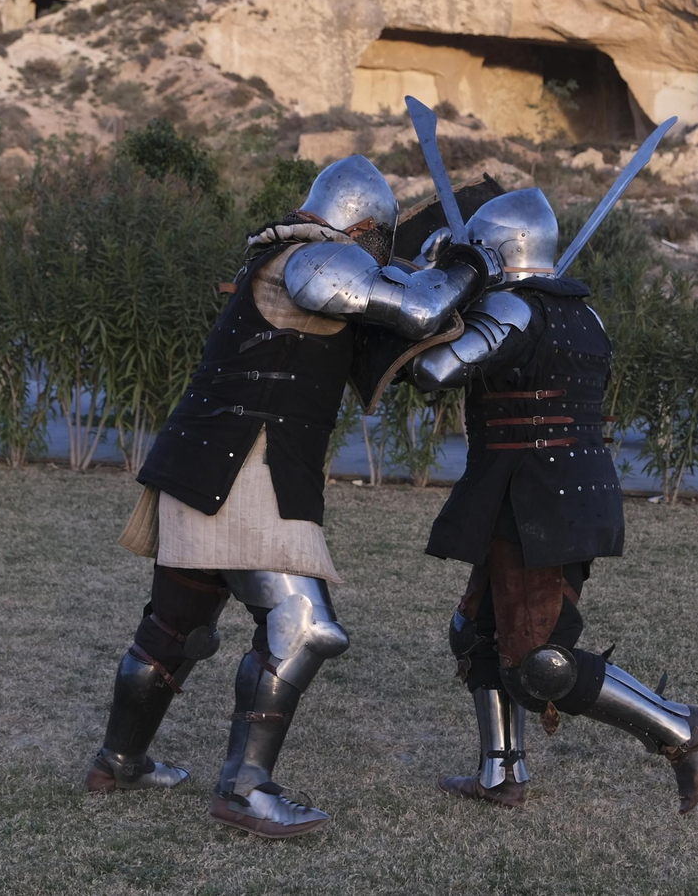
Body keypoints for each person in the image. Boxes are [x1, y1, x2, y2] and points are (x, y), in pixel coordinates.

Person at [92, 155, 500, 839]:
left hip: (207, 464)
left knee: (174, 631)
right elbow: (421, 306)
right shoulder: (315, 259)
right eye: (378, 242)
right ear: (363, 227)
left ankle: (119, 761)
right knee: (303, 627)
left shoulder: (279, 259)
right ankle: (245, 791)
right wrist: (473, 265)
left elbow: (402, 326)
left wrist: (432, 270)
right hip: (241, 472)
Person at [408, 187, 698, 814]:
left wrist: (435, 283)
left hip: (535, 500)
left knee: (538, 663)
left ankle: (676, 727)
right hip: (534, 492)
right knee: (476, 634)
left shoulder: (515, 311)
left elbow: (434, 370)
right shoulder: (579, 312)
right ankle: (501, 775)